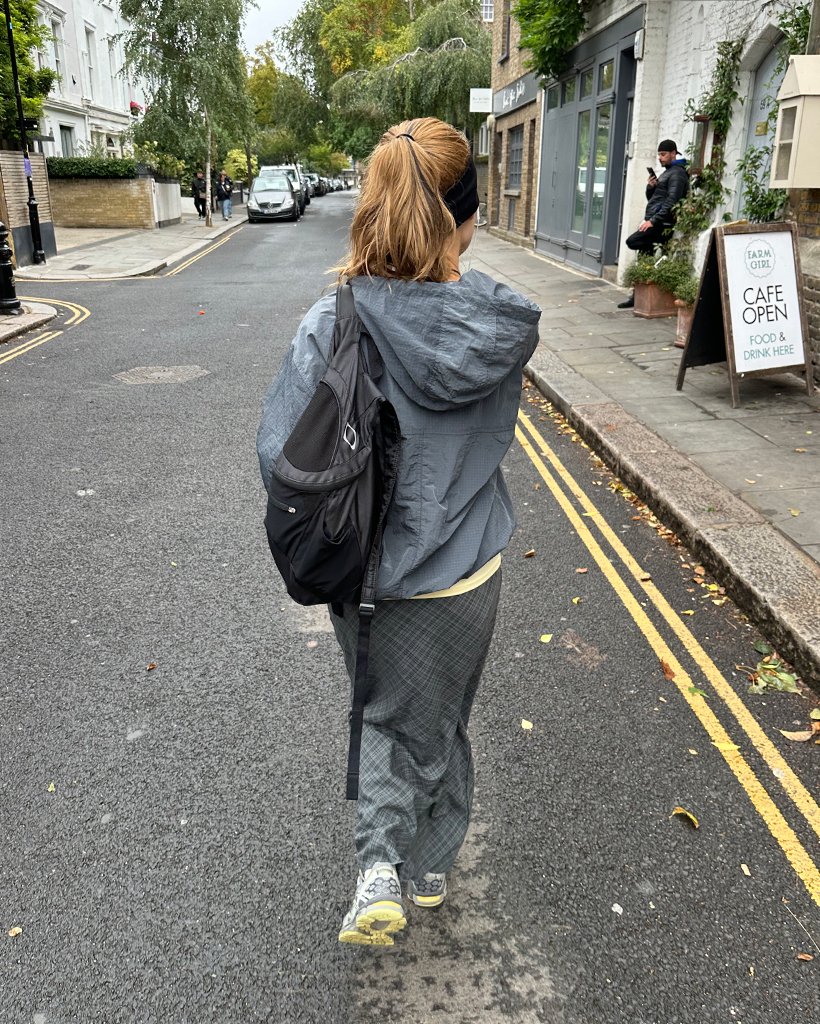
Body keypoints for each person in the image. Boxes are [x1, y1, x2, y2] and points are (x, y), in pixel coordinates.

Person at [257, 117, 541, 947]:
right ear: (467, 218)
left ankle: (380, 865)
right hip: (470, 573)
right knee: (443, 714)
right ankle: (433, 865)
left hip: (370, 572)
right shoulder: (498, 326)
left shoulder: (332, 321)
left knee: (383, 712)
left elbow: (282, 457)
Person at [618, 140, 689, 308]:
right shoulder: (668, 172)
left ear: (673, 153)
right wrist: (651, 187)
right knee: (644, 254)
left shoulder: (677, 173)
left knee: (633, 241)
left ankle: (648, 286)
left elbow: (672, 200)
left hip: (663, 223)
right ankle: (638, 295)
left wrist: (653, 221)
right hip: (657, 221)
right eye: (659, 155)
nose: (660, 158)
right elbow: (655, 199)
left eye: (663, 154)